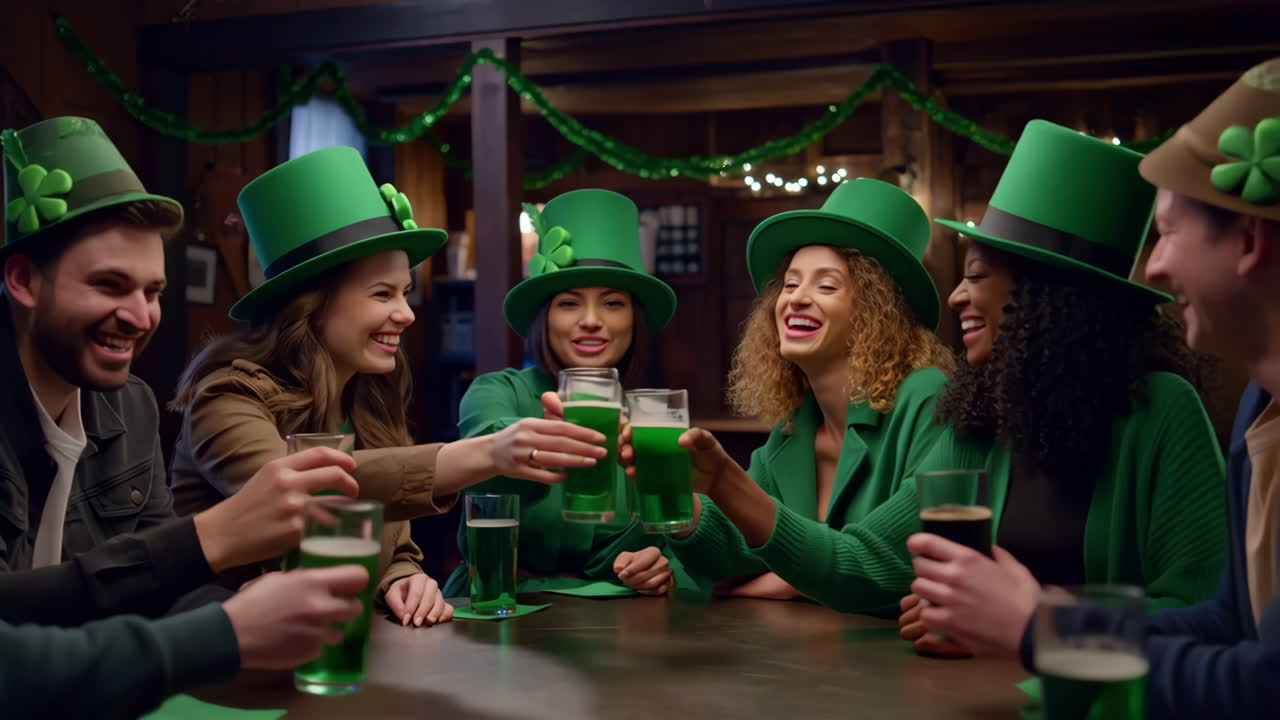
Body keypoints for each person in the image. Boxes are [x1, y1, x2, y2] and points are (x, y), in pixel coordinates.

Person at [913, 60, 1280, 717]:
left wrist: (1037, 629)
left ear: (1249, 240)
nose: (1158, 269)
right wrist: (1043, 617)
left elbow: (1262, 686)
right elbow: (1228, 621)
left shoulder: (1166, 408)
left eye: (1167, 233)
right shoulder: (1261, 403)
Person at [0, 117, 360, 623]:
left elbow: (154, 592)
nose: (140, 316)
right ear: (23, 281)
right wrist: (213, 538)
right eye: (109, 285)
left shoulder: (131, 404)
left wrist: (240, 610)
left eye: (153, 292)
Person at [898, 120, 1228, 658]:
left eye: (976, 276)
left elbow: (1204, 607)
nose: (956, 296)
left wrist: (1032, 620)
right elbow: (875, 555)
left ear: (1045, 299)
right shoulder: (984, 410)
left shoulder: (1162, 408)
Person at [626, 178, 955, 613]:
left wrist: (783, 581)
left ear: (878, 312)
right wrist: (688, 510)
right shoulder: (793, 430)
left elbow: (889, 568)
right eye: (790, 284)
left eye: (826, 286)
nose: (796, 299)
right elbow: (729, 556)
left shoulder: (928, 397)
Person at [443, 189, 683, 598]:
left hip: (619, 628)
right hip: (498, 610)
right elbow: (486, 444)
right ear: (545, 318)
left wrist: (663, 566)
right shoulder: (496, 392)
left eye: (613, 303)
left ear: (634, 319)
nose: (591, 321)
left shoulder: (655, 419)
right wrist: (533, 440)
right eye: (569, 303)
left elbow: (682, 539)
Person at [3, 565, 369, 720]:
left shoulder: (128, 406)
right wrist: (229, 627)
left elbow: (155, 588)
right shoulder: (226, 401)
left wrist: (403, 570)